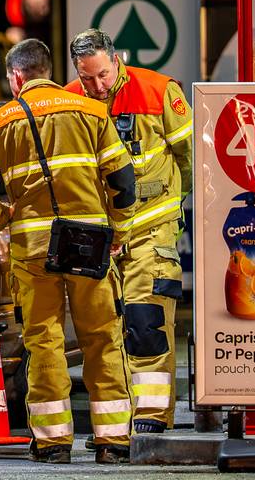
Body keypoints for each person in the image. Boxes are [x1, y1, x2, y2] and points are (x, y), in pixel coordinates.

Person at [0, 39, 136, 465]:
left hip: (33, 249)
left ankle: (53, 443)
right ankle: (113, 442)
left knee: (43, 341)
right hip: (90, 244)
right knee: (102, 339)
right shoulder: (92, 112)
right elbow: (123, 180)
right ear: (50, 70)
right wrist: (119, 231)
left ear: (16, 77)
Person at [66, 28, 190, 436]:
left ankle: (152, 417)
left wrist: (172, 207)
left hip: (150, 229)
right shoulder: (69, 101)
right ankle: (116, 426)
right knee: (103, 331)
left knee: (145, 322)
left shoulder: (158, 91)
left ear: (115, 60)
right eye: (88, 78)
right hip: (99, 234)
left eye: (102, 75)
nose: (98, 86)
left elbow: (190, 160)